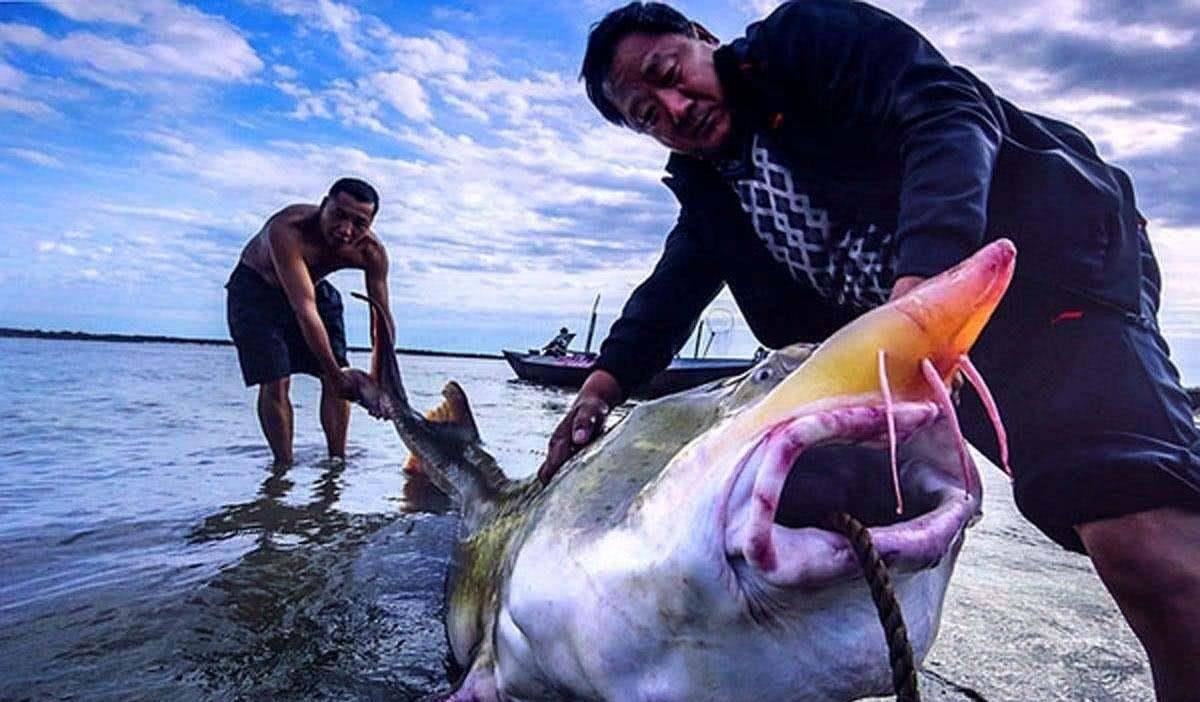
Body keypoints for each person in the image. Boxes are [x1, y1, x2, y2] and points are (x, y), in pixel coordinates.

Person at [538, 3, 1200, 699]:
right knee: (1081, 513)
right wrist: (600, 388)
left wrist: (922, 280)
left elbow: (948, 107)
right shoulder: (713, 196)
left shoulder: (807, 42)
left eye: (670, 73)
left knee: (1138, 533)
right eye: (646, 114)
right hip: (950, 359)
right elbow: (668, 294)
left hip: (1050, 278)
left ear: (703, 39)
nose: (673, 108)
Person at [226, 177, 395, 466]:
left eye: (359, 223)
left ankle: (337, 463)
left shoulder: (371, 252)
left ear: (370, 225)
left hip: (314, 290)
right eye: (339, 216)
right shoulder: (287, 229)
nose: (345, 230)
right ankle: (283, 468)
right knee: (277, 381)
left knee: (338, 373)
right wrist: (335, 375)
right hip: (256, 292)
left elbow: (381, 317)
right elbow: (304, 309)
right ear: (324, 205)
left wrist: (384, 381)